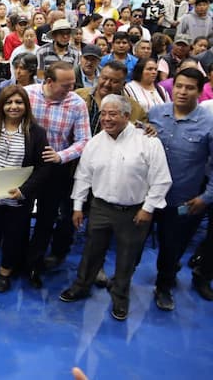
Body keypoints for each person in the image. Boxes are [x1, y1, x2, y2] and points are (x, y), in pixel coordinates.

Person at [60, 95, 172, 320]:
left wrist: (148, 208)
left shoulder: (148, 141)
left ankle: (120, 298)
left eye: (113, 114)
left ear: (127, 116)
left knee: (126, 259)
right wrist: (78, 207)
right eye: (103, 114)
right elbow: (83, 176)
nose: (106, 119)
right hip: (100, 207)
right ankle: (81, 286)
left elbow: (161, 179)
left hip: (134, 211)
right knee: (91, 252)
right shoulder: (95, 143)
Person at [149, 68, 213, 310]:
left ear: (199, 91)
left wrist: (205, 197)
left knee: (172, 247)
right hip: (148, 195)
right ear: (172, 87)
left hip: (183, 199)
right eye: (179, 86)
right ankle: (122, 281)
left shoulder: (208, 124)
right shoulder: (155, 113)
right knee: (133, 242)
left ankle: (164, 287)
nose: (182, 92)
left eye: (189, 88)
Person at [24, 61, 91, 288]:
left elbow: (84, 140)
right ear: (49, 82)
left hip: (55, 169)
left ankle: (34, 263)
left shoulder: (77, 104)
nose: (70, 89)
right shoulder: (27, 95)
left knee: (46, 218)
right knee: (19, 216)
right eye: (65, 85)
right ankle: (15, 259)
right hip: (24, 166)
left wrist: (61, 156)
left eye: (72, 84)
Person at [0, 85, 48, 292]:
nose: (13, 106)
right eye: (9, 102)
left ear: (26, 105)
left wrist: (24, 190)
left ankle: (5, 272)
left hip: (19, 196)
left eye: (18, 102)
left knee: (14, 235)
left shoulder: (36, 132)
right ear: (1, 105)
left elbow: (44, 167)